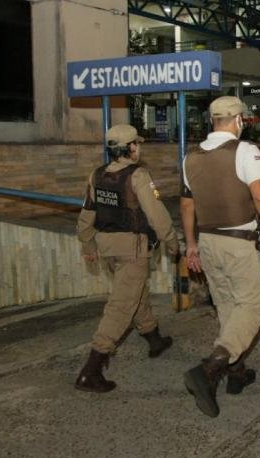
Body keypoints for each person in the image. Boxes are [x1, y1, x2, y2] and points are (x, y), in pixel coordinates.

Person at [180, 96, 260, 418]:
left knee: (227, 307)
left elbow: (186, 205)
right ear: (238, 121)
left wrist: (191, 245)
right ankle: (210, 369)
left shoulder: (190, 157)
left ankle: (236, 374)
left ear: (213, 121)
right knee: (253, 304)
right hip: (237, 242)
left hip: (207, 241)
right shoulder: (245, 150)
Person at [75, 124, 179, 393]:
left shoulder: (96, 175)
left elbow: (87, 214)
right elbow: (157, 214)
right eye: (137, 144)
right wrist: (172, 242)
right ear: (131, 147)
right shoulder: (139, 175)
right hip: (132, 249)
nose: (139, 148)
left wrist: (87, 242)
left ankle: (154, 339)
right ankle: (92, 369)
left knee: (134, 293)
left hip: (108, 248)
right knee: (121, 305)